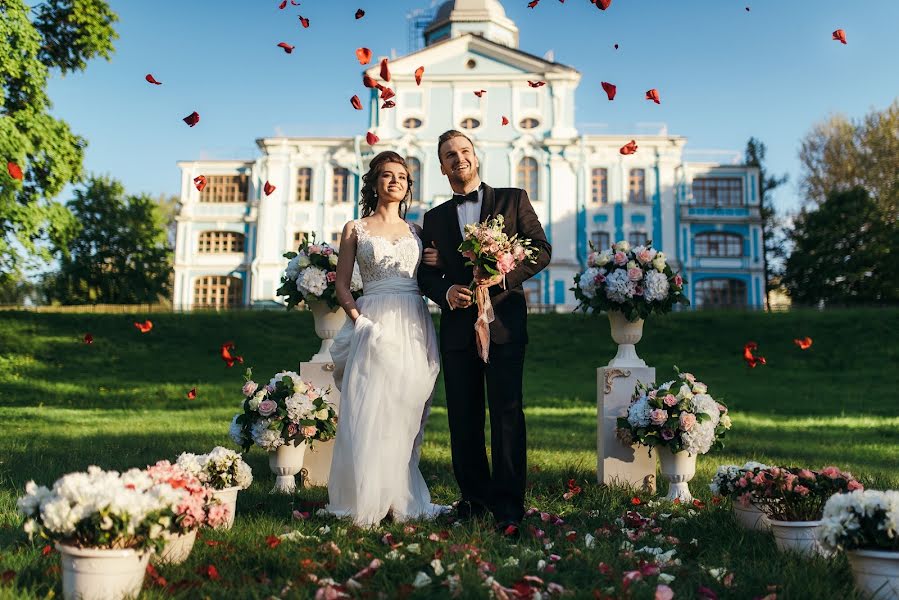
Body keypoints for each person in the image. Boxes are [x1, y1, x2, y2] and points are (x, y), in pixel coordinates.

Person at [417, 130, 551, 537]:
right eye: (448, 155)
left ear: (476, 157)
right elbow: (425, 272)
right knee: (463, 416)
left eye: (463, 151)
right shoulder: (435, 218)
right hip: (458, 329)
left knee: (508, 414)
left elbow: (540, 250)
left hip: (505, 324)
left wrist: (500, 277)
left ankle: (509, 507)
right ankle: (474, 501)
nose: (457, 159)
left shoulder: (513, 200)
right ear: (441, 167)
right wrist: (445, 290)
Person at [326, 151, 446, 527]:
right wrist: (360, 322)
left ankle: (400, 494)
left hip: (413, 320)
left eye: (402, 177)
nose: (395, 181)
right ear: (374, 183)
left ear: (409, 186)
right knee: (369, 408)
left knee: (406, 407)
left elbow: (430, 277)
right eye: (386, 175)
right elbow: (342, 287)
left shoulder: (418, 232)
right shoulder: (354, 229)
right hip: (373, 321)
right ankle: (364, 495)